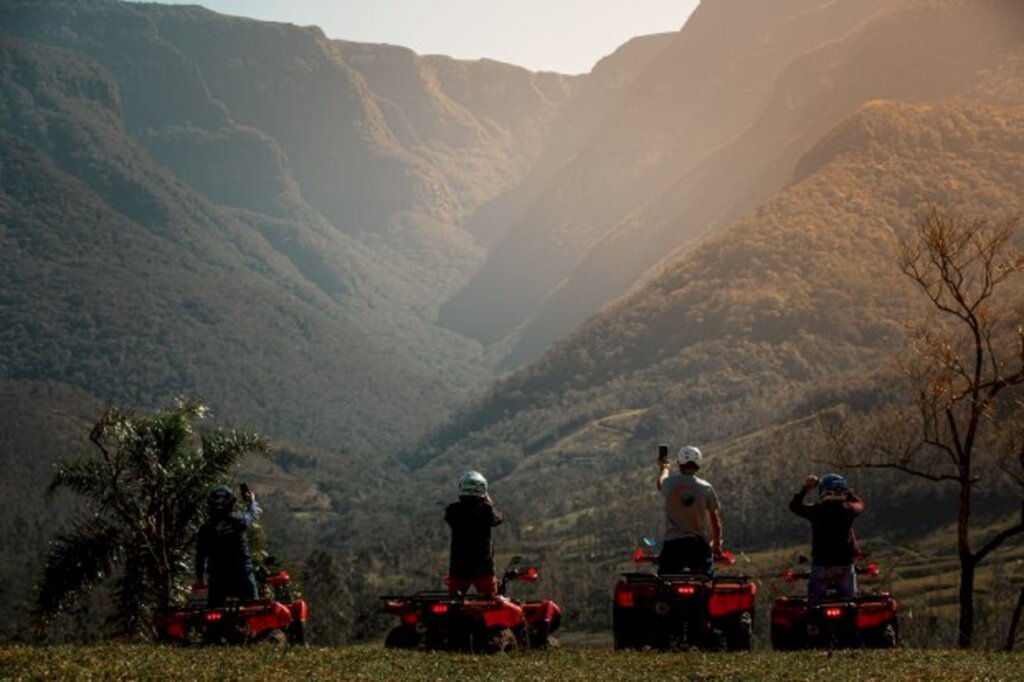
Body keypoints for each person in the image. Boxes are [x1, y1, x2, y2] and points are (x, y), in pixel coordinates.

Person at [789, 473, 865, 600]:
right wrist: (847, 492)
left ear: (823, 493)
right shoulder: (849, 509)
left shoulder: (816, 511)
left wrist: (806, 487)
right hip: (844, 565)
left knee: (815, 604)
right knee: (849, 602)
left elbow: (794, 506)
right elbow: (860, 503)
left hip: (821, 565)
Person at [656, 445, 723, 575]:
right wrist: (716, 545)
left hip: (673, 546)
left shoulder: (670, 483)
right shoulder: (706, 488)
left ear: (680, 463)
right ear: (698, 464)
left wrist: (664, 467)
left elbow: (661, 482)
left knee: (665, 583)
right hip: (698, 546)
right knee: (704, 581)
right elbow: (715, 521)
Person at [194, 483, 261, 607]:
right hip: (241, 572)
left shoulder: (205, 528)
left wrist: (200, 578)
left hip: (217, 576)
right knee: (254, 607)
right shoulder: (237, 520)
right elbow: (249, 517)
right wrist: (251, 502)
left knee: (213, 612)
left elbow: (200, 556)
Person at [444, 471, 504, 596]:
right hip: (483, 568)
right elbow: (498, 519)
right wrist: (489, 502)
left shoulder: (452, 510)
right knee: (490, 605)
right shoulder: (487, 510)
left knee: (454, 605)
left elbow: (450, 519)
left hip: (458, 567)